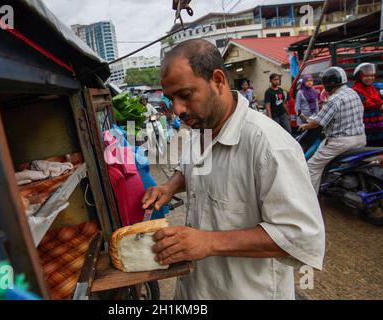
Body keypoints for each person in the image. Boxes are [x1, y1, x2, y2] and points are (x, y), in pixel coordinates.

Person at [142, 39, 325, 300]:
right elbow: (191, 168)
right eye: (171, 99)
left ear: (218, 80)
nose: (177, 110)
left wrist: (208, 242)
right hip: (197, 290)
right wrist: (169, 186)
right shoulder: (200, 130)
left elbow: (300, 235)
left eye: (185, 95)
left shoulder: (269, 145)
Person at [299, 67, 366, 193]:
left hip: (341, 142)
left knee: (312, 166)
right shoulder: (353, 93)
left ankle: (309, 199)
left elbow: (317, 123)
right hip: (361, 138)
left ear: (328, 84)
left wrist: (305, 126)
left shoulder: (334, 100)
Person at [352, 62, 383, 146]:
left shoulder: (373, 89)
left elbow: (379, 103)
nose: (370, 78)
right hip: (365, 131)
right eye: (366, 76)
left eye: (372, 75)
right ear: (360, 76)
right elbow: (369, 105)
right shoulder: (355, 91)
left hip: (379, 129)